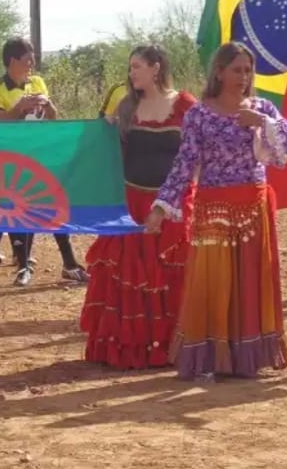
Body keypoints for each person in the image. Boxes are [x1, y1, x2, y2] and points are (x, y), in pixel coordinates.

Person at [146, 42, 287, 381]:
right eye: (236, 70)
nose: (243, 77)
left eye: (248, 70)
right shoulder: (199, 115)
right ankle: (214, 356)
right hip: (213, 208)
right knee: (214, 282)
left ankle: (248, 357)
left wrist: (262, 121)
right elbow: (184, 163)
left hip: (253, 206)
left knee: (250, 278)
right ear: (219, 71)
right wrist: (162, 206)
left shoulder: (262, 108)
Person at [81, 46, 196, 368]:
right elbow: (108, 152)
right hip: (131, 204)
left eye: (137, 66)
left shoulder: (185, 105)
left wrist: (175, 202)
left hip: (171, 203)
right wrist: (101, 130)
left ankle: (171, 347)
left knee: (169, 274)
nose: (131, 73)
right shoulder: (127, 106)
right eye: (130, 67)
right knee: (128, 275)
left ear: (156, 68)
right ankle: (128, 347)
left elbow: (193, 157)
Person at [0, 37, 89, 286]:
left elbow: (52, 117)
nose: (32, 64)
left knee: (54, 204)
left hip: (42, 154)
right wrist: (19, 108)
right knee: (20, 207)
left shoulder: (38, 82)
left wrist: (50, 106)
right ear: (13, 61)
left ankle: (70, 263)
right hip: (14, 159)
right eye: (27, 59)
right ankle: (23, 266)